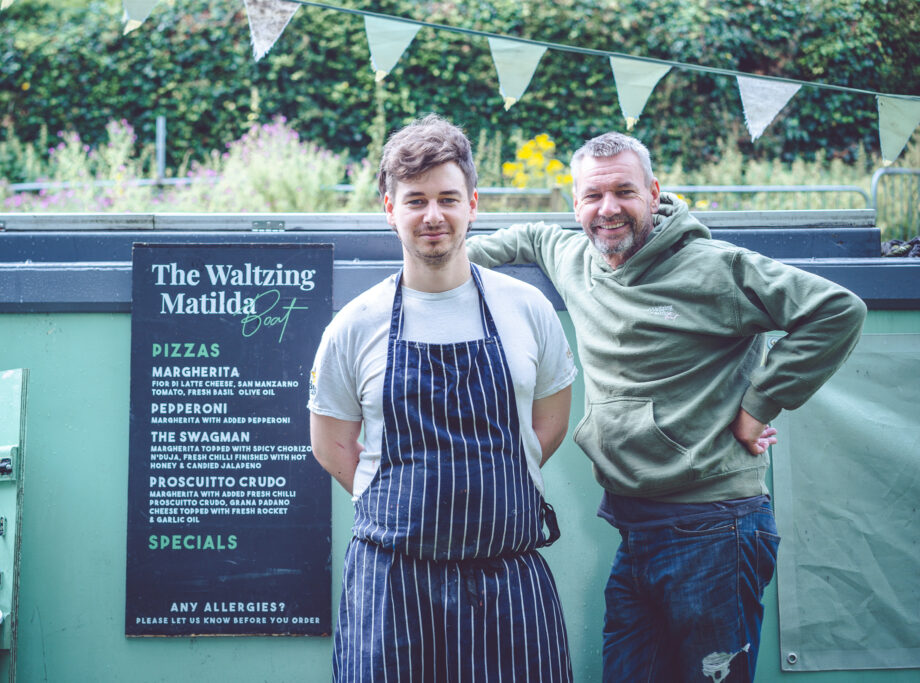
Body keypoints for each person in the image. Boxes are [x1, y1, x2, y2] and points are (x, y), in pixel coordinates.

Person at [466, 131, 867, 682]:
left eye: (624, 192)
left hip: (715, 529)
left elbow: (836, 311)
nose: (608, 209)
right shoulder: (573, 255)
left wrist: (760, 405)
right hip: (636, 528)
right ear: (575, 204)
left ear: (654, 193)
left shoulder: (716, 269)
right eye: (591, 196)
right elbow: (525, 238)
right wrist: (432, 250)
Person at [308, 114, 578, 682]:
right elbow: (332, 445)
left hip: (508, 581)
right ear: (390, 209)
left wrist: (482, 499)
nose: (433, 216)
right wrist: (406, 510)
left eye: (448, 199)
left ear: (473, 204)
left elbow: (548, 423)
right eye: (415, 201)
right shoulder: (354, 325)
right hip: (392, 583)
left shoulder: (526, 310)